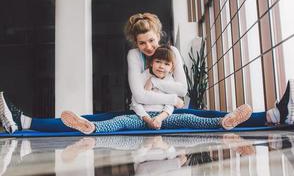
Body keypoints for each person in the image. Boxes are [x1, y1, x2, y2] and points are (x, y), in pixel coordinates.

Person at [0, 12, 291, 134]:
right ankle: (24, 121)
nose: (149, 48)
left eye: (151, 40)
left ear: (158, 35)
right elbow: (137, 95)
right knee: (94, 120)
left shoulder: (172, 52)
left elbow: (183, 92)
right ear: (135, 43)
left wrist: (156, 84)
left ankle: (275, 115)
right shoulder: (132, 56)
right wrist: (164, 88)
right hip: (141, 112)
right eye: (142, 43)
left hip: (167, 113)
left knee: (209, 115)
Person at [60, 45, 253, 134]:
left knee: (190, 119)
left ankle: (225, 121)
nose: (161, 66)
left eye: (166, 64)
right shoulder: (143, 77)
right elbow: (135, 103)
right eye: (158, 62)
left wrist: (159, 118)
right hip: (141, 118)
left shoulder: (171, 82)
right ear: (151, 63)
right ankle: (90, 127)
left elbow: (171, 106)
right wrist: (146, 119)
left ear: (171, 67)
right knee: (119, 121)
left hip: (164, 119)